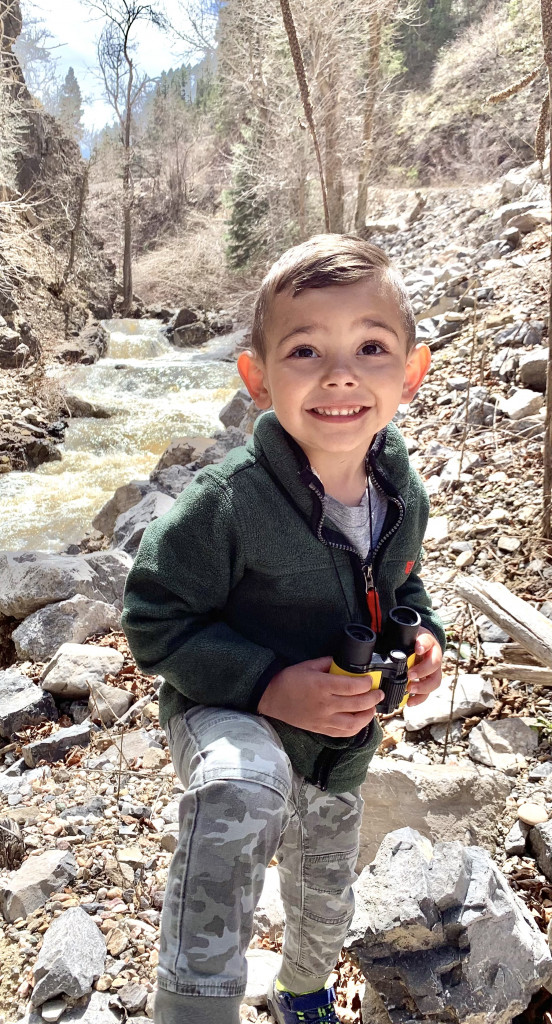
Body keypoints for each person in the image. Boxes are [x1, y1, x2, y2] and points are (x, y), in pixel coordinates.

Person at [122, 234, 445, 1024]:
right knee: (241, 785)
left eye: (371, 346)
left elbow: (401, 582)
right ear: (258, 379)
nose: (340, 374)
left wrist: (422, 638)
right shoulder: (229, 502)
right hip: (223, 703)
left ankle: (301, 990)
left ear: (410, 373)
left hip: (338, 750)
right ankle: (193, 1006)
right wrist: (267, 683)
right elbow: (151, 617)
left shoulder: (400, 491)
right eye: (306, 350)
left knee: (325, 903)